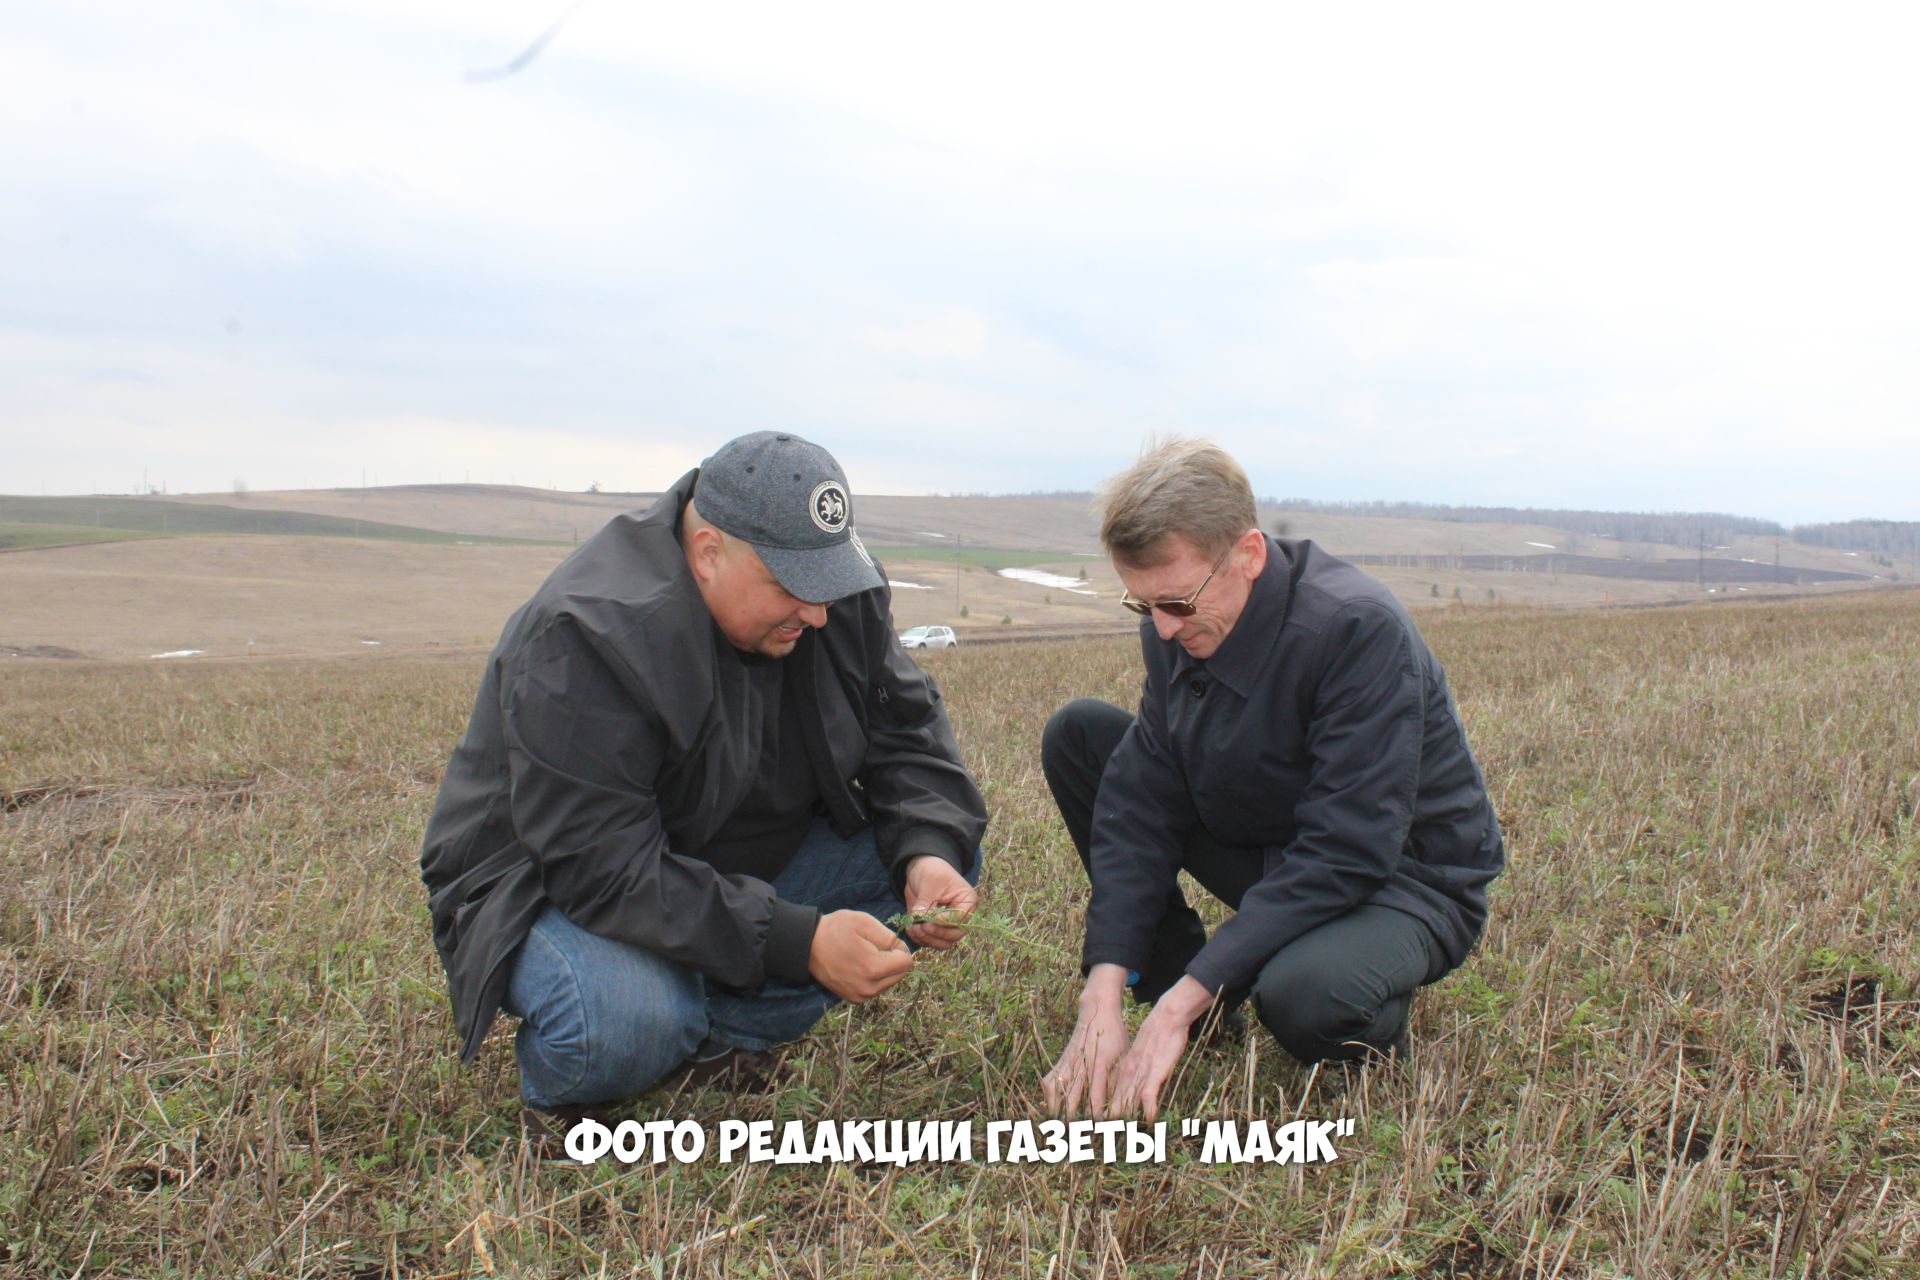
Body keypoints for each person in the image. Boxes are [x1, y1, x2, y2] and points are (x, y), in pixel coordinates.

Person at [420, 432, 988, 1134]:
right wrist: (797, 940)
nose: (817, 614)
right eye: (791, 586)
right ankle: (609, 1062)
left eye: (829, 584)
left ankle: (716, 1037)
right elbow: (597, 865)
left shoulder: (837, 596)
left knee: (928, 858)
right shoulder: (586, 632)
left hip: (721, 858)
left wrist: (928, 851)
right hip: (552, 888)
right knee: (624, 1020)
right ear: (709, 551)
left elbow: (908, 735)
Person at [1039, 439, 1503, 1120]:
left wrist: (1186, 998)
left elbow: (1349, 849)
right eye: (1143, 608)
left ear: (1249, 555)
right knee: (1081, 737)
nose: (1163, 630)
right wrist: (1104, 986)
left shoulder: (1354, 630)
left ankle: (1356, 987)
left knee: (1306, 998)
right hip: (1275, 846)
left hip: (1399, 879)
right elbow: (1143, 800)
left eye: (1177, 604)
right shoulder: (1178, 624)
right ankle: (1193, 998)